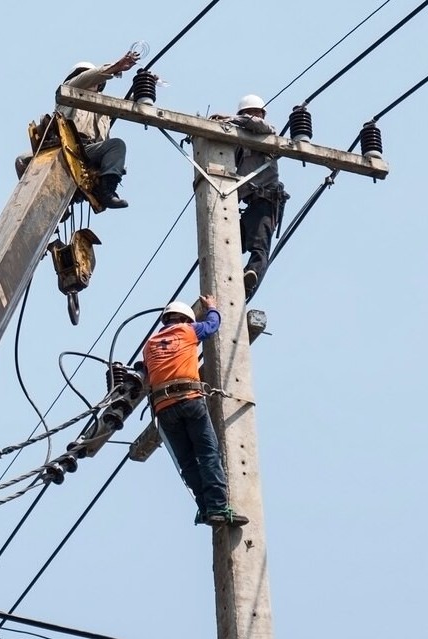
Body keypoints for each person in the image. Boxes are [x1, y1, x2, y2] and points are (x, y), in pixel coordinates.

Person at [141, 296, 248, 527]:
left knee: (188, 462)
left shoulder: (149, 345)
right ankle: (218, 506)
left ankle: (205, 507)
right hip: (189, 400)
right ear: (185, 319)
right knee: (208, 453)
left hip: (164, 408)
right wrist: (212, 307)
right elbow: (212, 326)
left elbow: (146, 373)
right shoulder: (187, 331)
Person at [16, 51, 140, 209]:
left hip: (90, 153)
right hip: (65, 148)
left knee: (117, 145)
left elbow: (128, 104)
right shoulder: (68, 91)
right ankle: (40, 201)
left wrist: (145, 85)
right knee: (22, 160)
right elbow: (89, 77)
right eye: (85, 75)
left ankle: (106, 192)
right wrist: (116, 67)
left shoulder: (104, 105)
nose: (90, 80)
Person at [213, 95, 289, 298]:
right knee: (227, 241)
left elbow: (255, 124)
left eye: (256, 112)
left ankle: (251, 276)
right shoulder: (238, 143)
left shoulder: (267, 132)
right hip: (248, 205)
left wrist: (229, 119)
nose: (253, 115)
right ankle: (229, 280)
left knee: (259, 246)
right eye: (248, 112)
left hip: (266, 201)